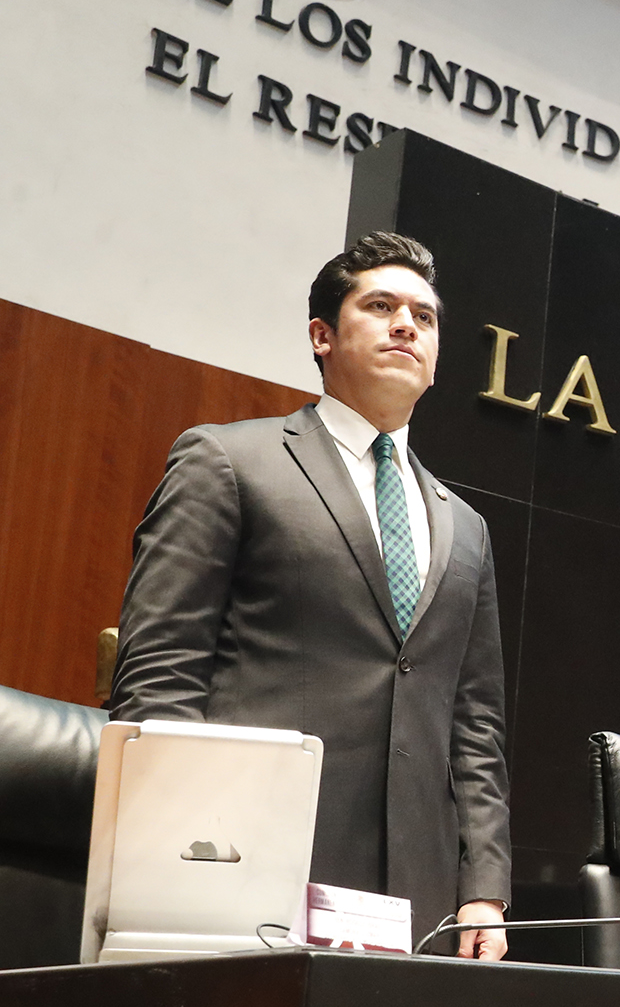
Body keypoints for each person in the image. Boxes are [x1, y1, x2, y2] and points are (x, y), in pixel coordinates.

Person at [111, 233, 511, 959]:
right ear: (321, 336)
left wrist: (484, 885)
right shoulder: (229, 462)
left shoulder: (467, 527)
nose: (406, 325)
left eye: (423, 317)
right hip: (243, 862)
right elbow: (161, 671)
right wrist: (173, 851)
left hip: (415, 895)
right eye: (381, 306)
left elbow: (474, 723)